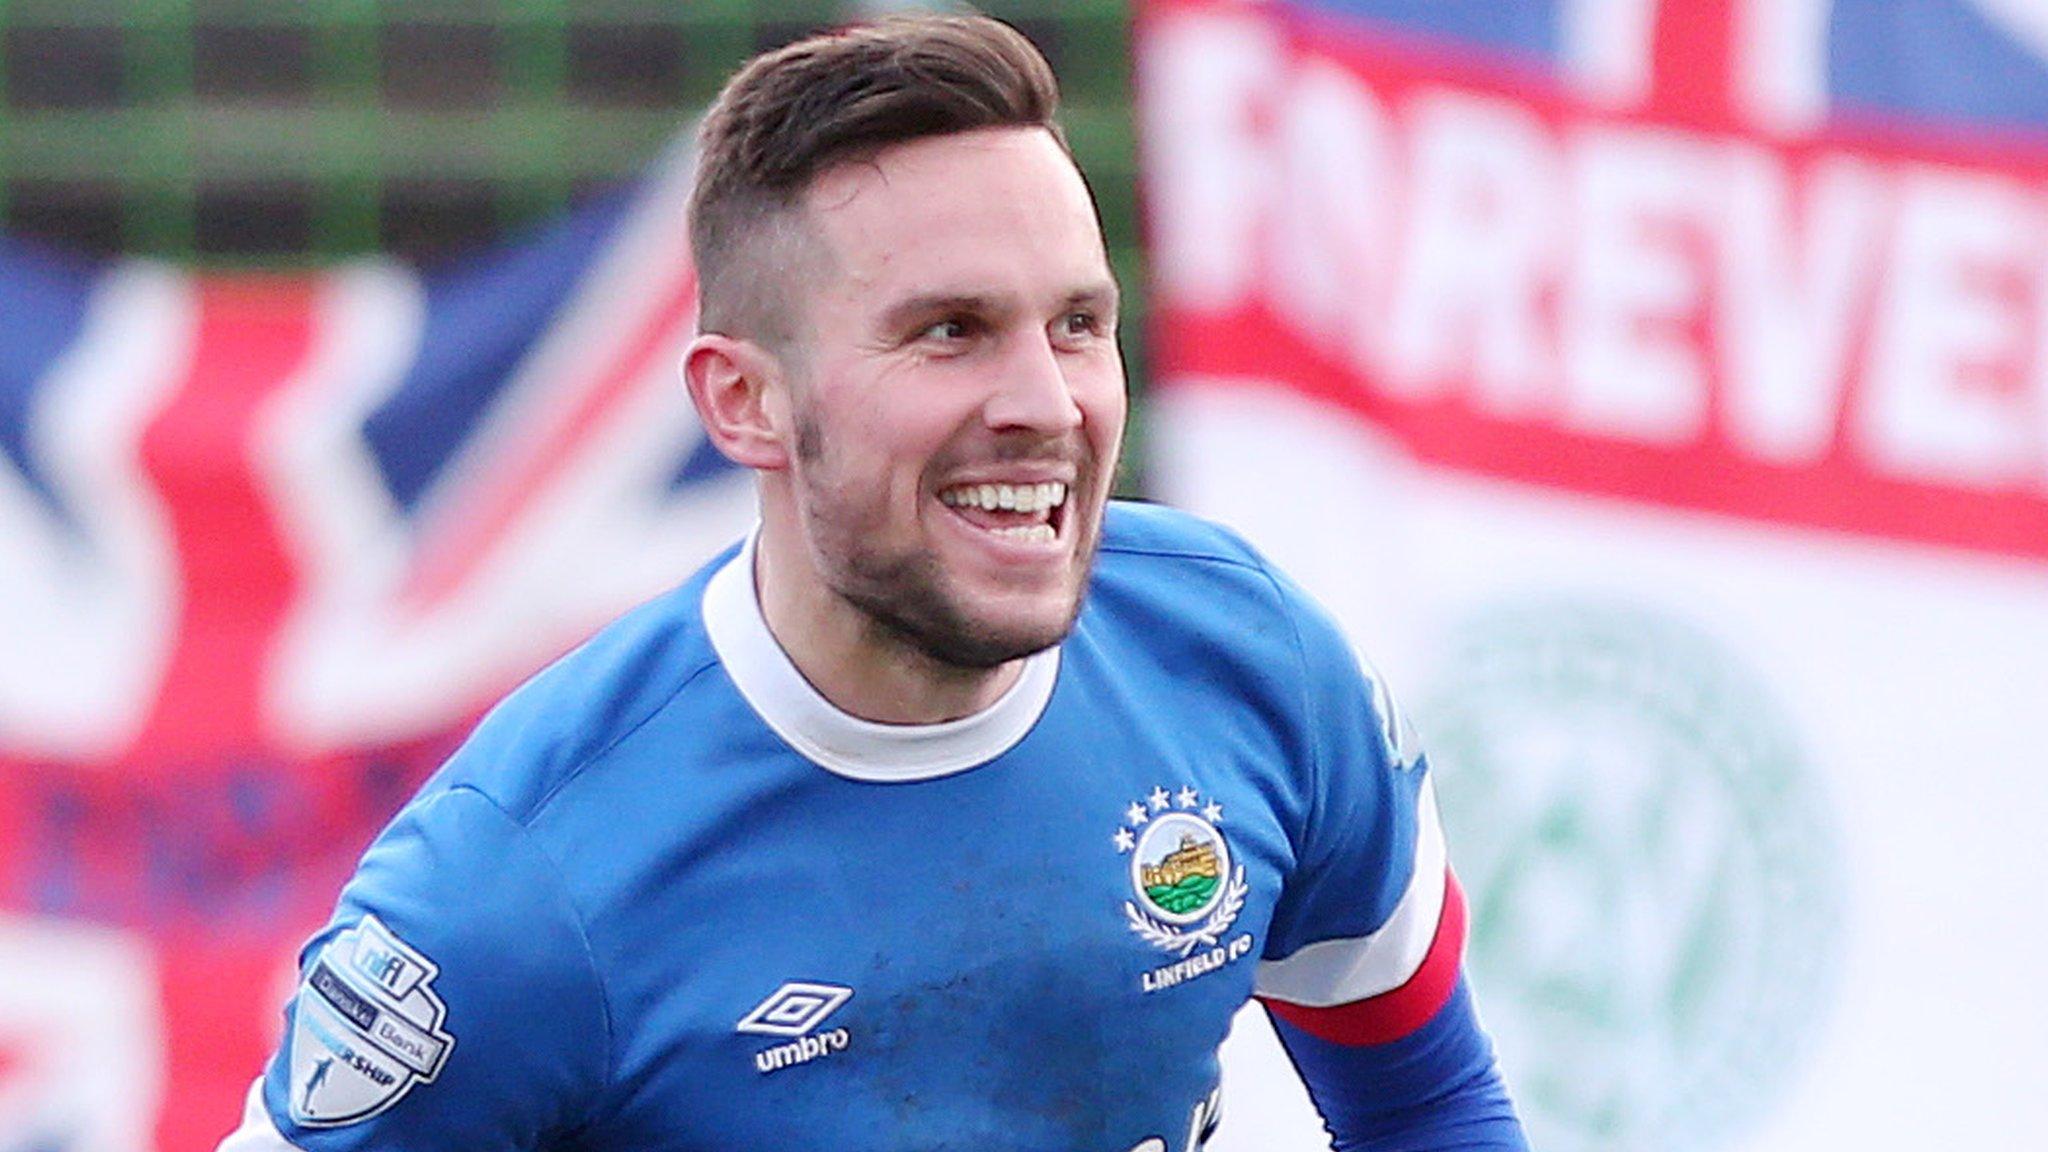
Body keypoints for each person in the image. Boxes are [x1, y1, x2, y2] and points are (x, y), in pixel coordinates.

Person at [216, 15, 1526, 1152]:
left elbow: (1428, 1109)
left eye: (1079, 323)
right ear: (746, 402)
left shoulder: (1245, 663)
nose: (1045, 403)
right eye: (949, 333)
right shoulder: (522, 893)